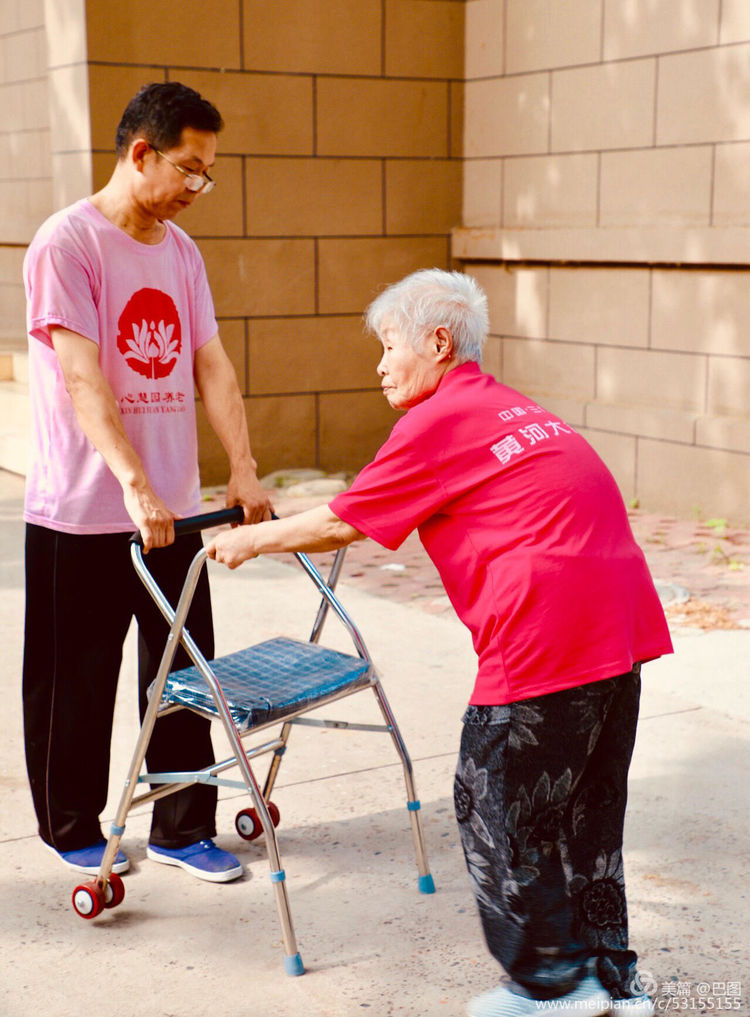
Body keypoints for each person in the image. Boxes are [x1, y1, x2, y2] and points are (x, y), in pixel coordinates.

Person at [207, 269, 672, 1015]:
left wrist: (252, 538)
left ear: (438, 341)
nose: (381, 364)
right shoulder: (511, 409)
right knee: (587, 812)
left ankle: (549, 984)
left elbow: (343, 522)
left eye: (390, 345)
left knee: (493, 800)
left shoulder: (438, 419)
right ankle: (612, 976)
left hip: (548, 638)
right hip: (619, 633)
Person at [23, 82, 271, 884]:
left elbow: (212, 365)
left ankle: (181, 826)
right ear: (141, 153)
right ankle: (70, 826)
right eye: (190, 171)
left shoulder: (180, 252)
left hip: (178, 512)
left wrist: (241, 466)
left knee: (184, 675)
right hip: (85, 510)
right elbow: (82, 377)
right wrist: (132, 481)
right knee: (77, 684)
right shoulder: (67, 245)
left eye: (207, 174)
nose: (198, 189)